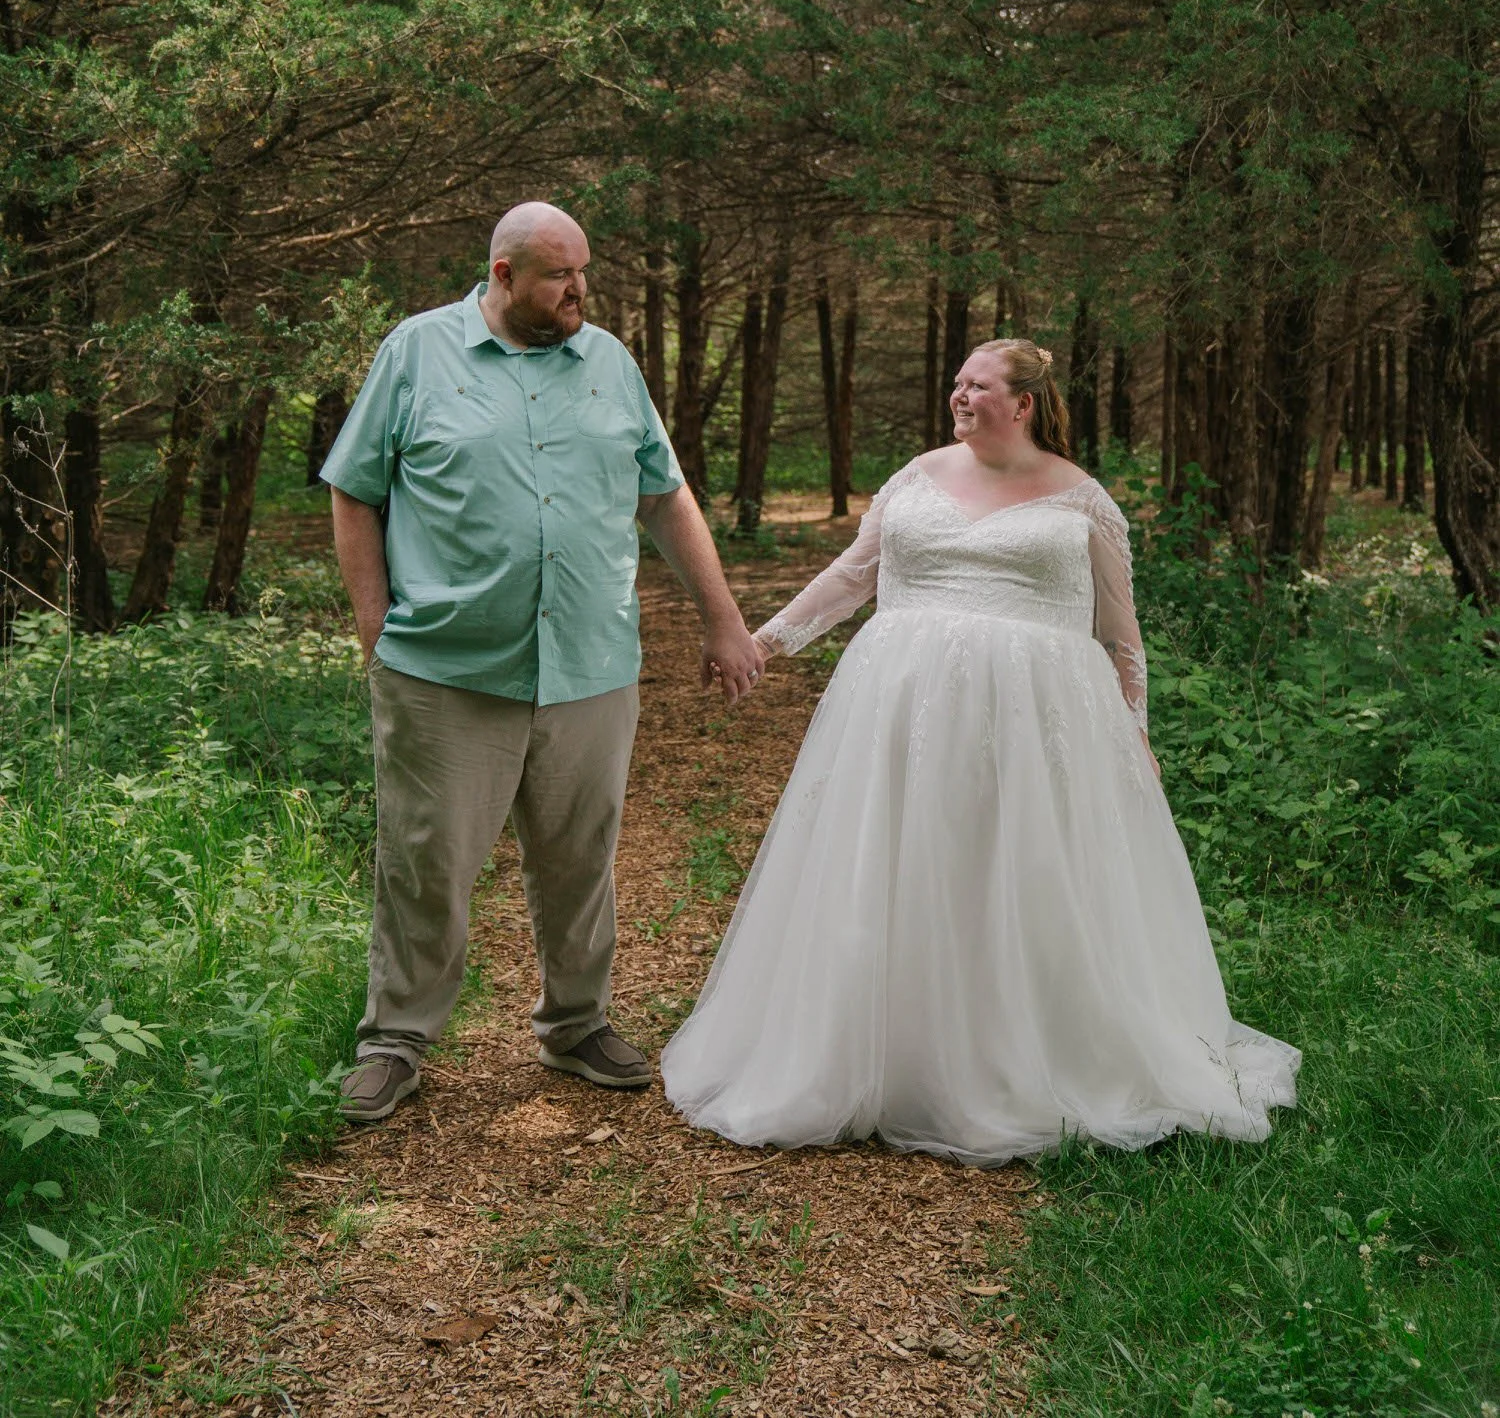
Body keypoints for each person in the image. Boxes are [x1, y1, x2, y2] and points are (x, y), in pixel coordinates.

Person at [662, 338, 1299, 1163]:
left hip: (1033, 720)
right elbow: (853, 576)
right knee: (899, 862)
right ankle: (884, 1056)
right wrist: (763, 641)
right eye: (957, 383)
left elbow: (1121, 636)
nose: (959, 396)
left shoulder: (1082, 501)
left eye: (978, 386)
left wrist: (1134, 734)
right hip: (900, 706)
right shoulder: (917, 477)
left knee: (1008, 868)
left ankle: (1015, 1057)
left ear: (1023, 403)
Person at [323, 202, 762, 1124]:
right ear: (505, 274)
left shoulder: (608, 362)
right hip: (447, 666)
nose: (579, 291)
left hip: (590, 661)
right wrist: (375, 626)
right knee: (427, 859)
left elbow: (664, 495)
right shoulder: (415, 353)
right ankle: (396, 1040)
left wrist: (723, 619)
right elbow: (354, 489)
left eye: (583, 272)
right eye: (560, 275)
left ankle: (576, 1024)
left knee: (579, 857)